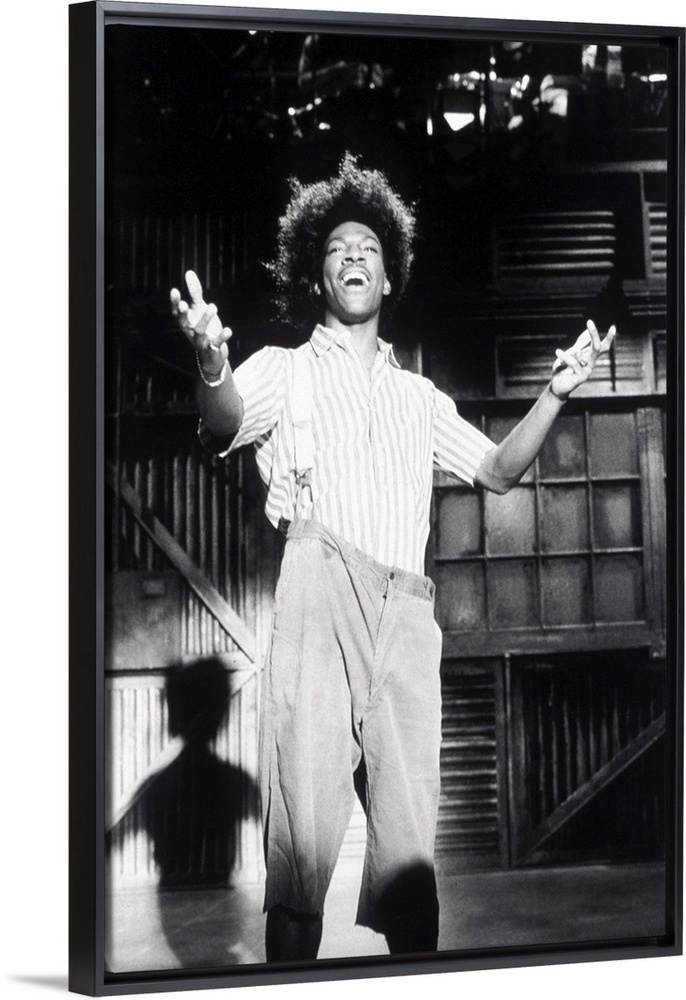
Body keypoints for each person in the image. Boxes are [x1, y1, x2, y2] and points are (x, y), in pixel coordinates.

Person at [170, 153, 615, 961]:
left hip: (407, 617)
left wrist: (556, 392)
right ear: (316, 276)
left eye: (369, 249)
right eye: (337, 249)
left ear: (389, 275)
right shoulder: (285, 370)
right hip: (318, 604)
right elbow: (225, 418)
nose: (353, 257)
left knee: (411, 861)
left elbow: (498, 472)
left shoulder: (420, 397)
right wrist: (209, 357)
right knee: (301, 851)